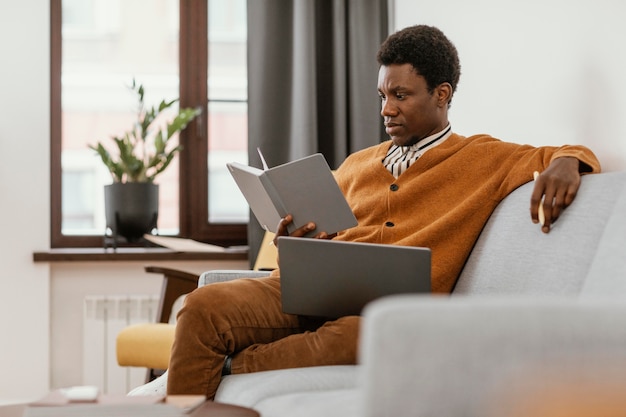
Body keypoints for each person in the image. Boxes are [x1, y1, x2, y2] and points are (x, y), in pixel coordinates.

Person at [167, 25, 600, 398]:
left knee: (360, 336)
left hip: (383, 312)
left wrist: (567, 163)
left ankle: (225, 367)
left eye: (400, 95)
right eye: (382, 95)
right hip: (311, 293)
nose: (385, 109)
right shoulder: (355, 164)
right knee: (200, 307)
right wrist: (294, 246)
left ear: (442, 95)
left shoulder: (483, 158)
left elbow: (567, 152)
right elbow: (315, 243)